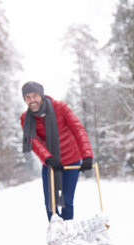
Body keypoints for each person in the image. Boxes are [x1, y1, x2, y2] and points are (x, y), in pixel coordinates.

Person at [20, 81, 93, 224]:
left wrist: (87, 156)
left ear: (41, 95)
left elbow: (77, 129)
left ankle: (69, 236)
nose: (32, 100)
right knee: (50, 203)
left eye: (34, 96)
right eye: (27, 97)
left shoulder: (60, 107)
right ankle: (56, 236)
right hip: (51, 163)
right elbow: (34, 141)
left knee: (67, 200)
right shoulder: (26, 119)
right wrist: (48, 159)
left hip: (72, 158)